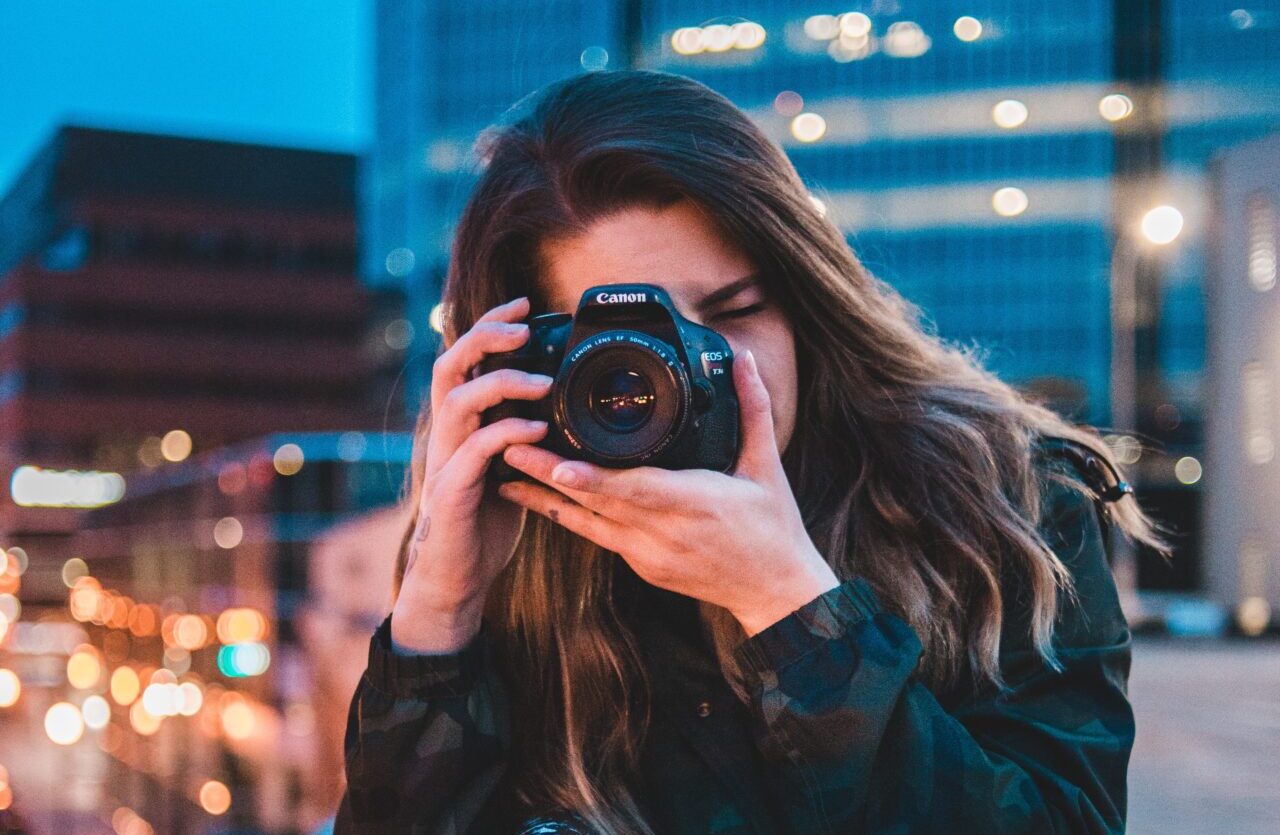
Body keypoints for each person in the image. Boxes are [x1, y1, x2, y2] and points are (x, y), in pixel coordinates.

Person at [334, 69, 1168, 835]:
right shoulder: (511, 551)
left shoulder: (1006, 501)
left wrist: (794, 607)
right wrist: (439, 616)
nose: (698, 373)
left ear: (804, 298)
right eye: (627, 352)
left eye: (731, 313)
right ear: (531, 363)